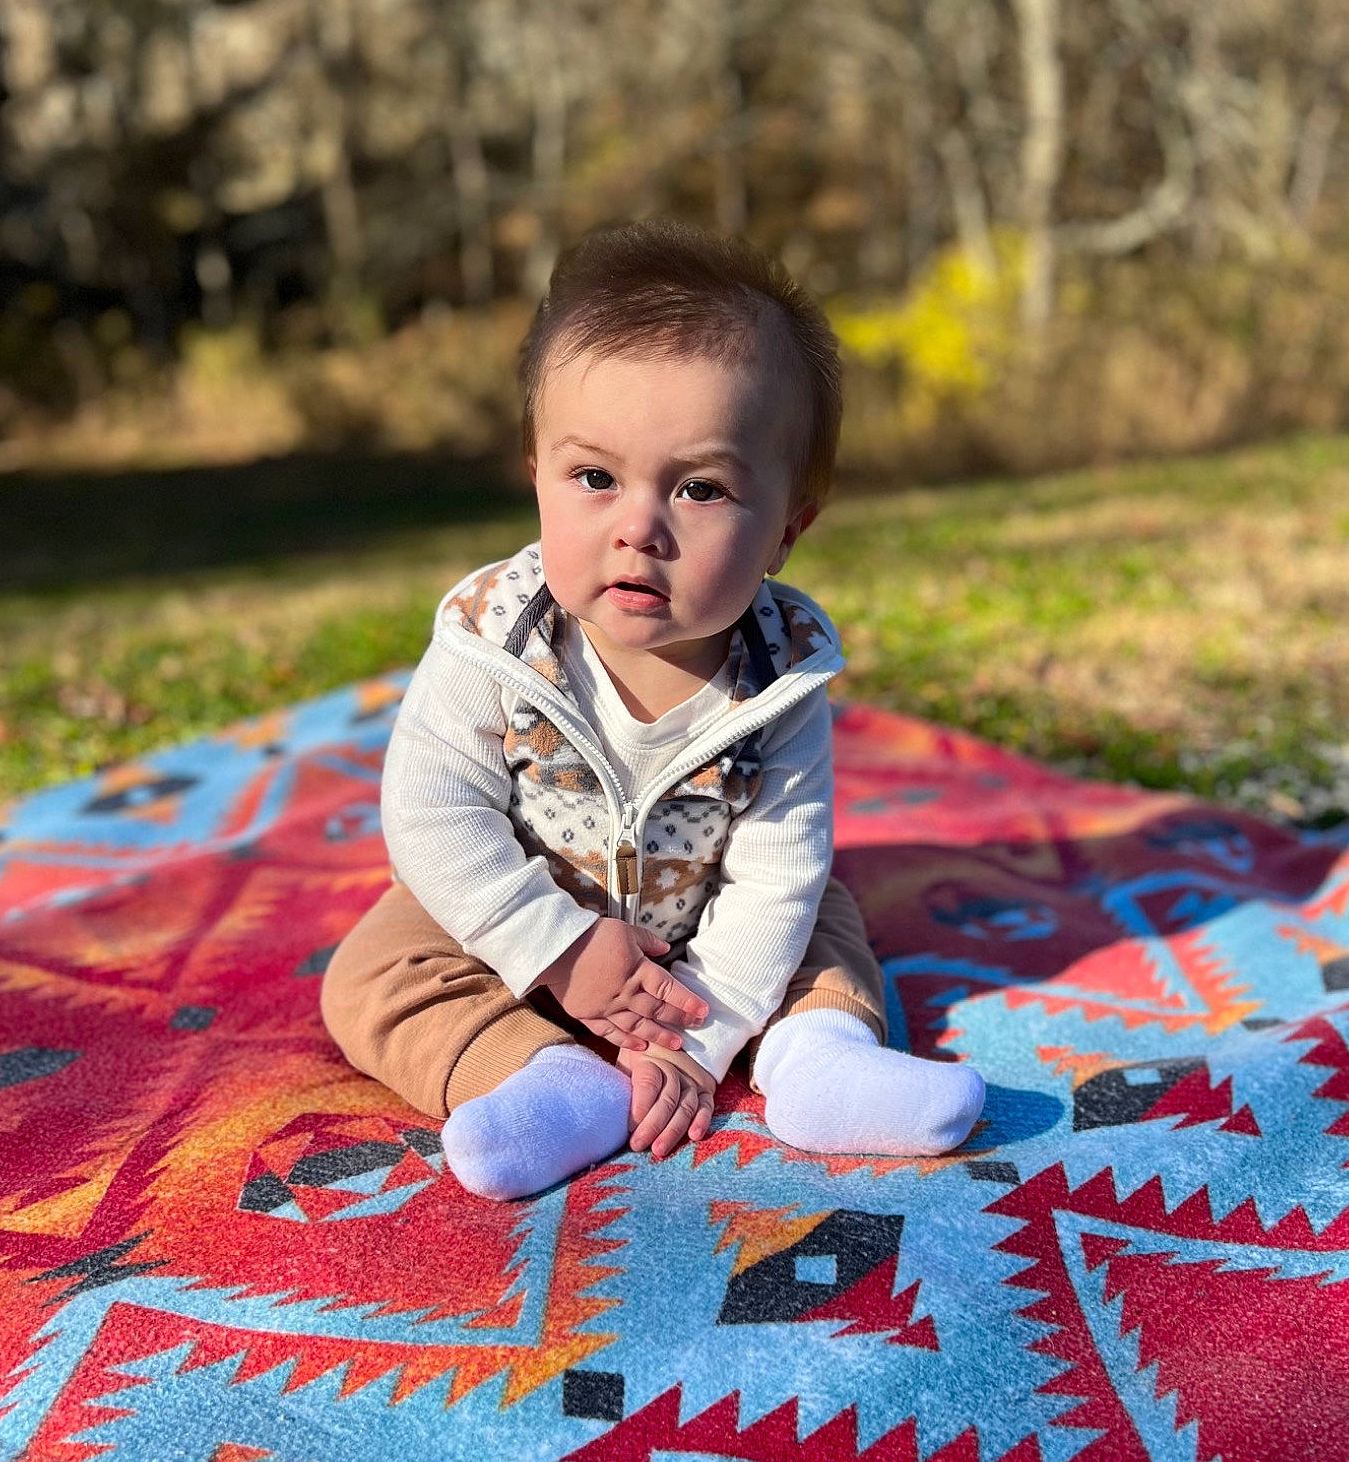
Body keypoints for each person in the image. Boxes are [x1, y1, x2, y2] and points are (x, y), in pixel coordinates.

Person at [321, 219, 985, 1199]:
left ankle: (815, 1061)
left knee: (819, 917)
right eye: (595, 477)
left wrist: (701, 1033)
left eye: (703, 488)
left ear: (784, 531)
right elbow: (432, 809)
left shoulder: (780, 680)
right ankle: (543, 1077)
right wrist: (558, 947)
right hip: (521, 900)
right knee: (374, 968)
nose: (639, 526)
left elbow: (773, 870)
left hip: (709, 916)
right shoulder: (493, 643)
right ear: (536, 475)